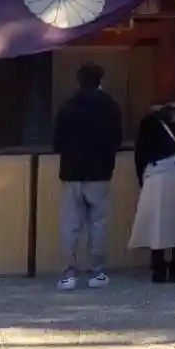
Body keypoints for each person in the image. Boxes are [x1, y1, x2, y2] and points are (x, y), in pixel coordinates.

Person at [50, 63, 123, 292]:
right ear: (101, 81)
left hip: (72, 172)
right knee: (98, 224)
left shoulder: (67, 107)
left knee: (70, 225)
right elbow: (117, 140)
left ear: (78, 81)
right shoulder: (110, 107)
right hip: (100, 172)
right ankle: (96, 272)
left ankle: (68, 274)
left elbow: (57, 143)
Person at [129, 102, 175, 284]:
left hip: (154, 176)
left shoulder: (148, 125)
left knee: (156, 223)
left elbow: (140, 154)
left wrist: (141, 179)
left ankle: (158, 266)